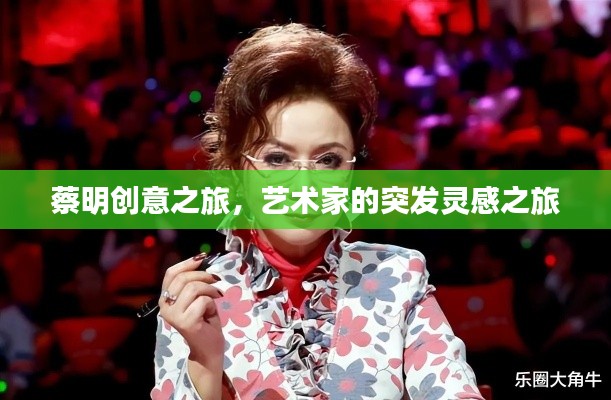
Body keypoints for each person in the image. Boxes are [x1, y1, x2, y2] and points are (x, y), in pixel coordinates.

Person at [153, 23, 485, 400]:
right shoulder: (194, 297)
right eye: (277, 159)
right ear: (235, 169)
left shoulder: (397, 276)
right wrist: (204, 363)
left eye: (328, 160)